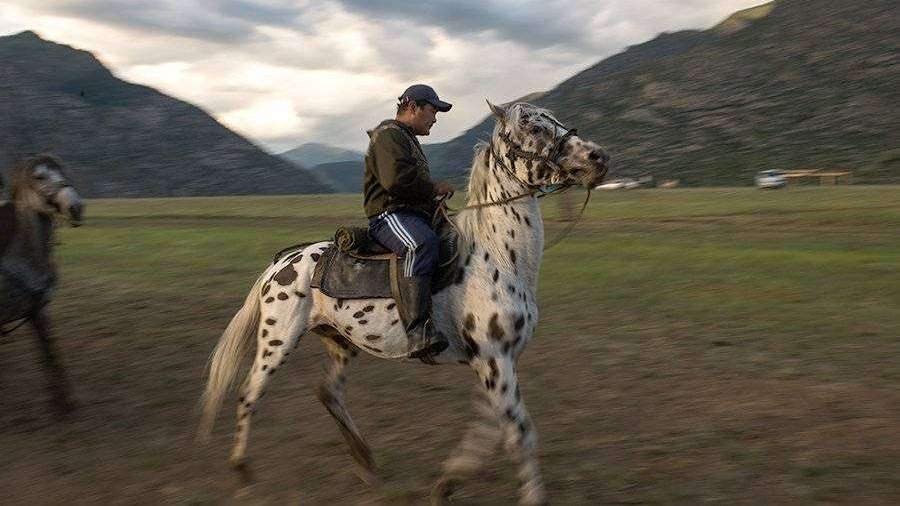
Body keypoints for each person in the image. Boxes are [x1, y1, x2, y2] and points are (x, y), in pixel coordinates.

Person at [363, 84, 455, 359]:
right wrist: (433, 188)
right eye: (433, 110)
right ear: (413, 107)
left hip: (412, 213)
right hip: (389, 214)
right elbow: (395, 181)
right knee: (421, 244)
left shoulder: (405, 138)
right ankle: (417, 331)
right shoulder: (388, 135)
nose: (435, 118)